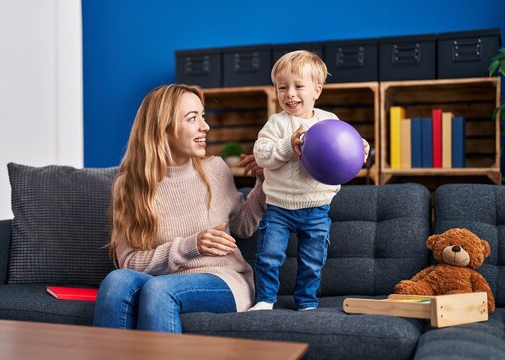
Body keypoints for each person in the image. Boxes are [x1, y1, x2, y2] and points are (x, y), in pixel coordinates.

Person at [93, 84, 266, 333]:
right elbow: (129, 262)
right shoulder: (129, 185)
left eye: (202, 116)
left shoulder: (215, 169)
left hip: (224, 280)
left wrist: (263, 183)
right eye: (192, 118)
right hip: (163, 281)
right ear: (163, 129)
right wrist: (191, 245)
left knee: (160, 289)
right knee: (116, 281)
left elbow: (243, 226)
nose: (205, 127)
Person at [249, 50, 370, 311]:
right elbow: (261, 155)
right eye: (282, 87)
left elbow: (345, 146)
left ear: (317, 90)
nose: (290, 94)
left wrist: (362, 147)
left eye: (298, 86)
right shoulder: (276, 124)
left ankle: (306, 302)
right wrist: (287, 146)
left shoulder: (329, 121)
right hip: (279, 208)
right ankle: (265, 299)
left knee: (312, 260)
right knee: (269, 257)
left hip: (317, 208)